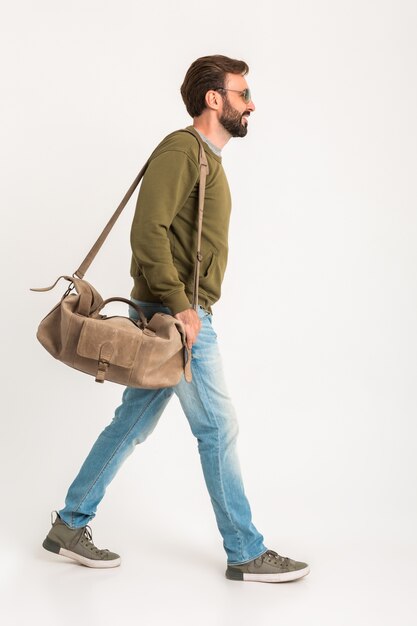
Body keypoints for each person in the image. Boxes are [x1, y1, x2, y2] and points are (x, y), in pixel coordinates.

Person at [42, 54, 310, 583]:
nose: (250, 103)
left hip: (178, 310)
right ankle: (245, 551)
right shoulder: (182, 151)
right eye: (242, 93)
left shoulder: (206, 157)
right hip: (177, 315)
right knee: (218, 426)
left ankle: (69, 525)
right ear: (215, 99)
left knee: (133, 422)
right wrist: (183, 307)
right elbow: (147, 232)